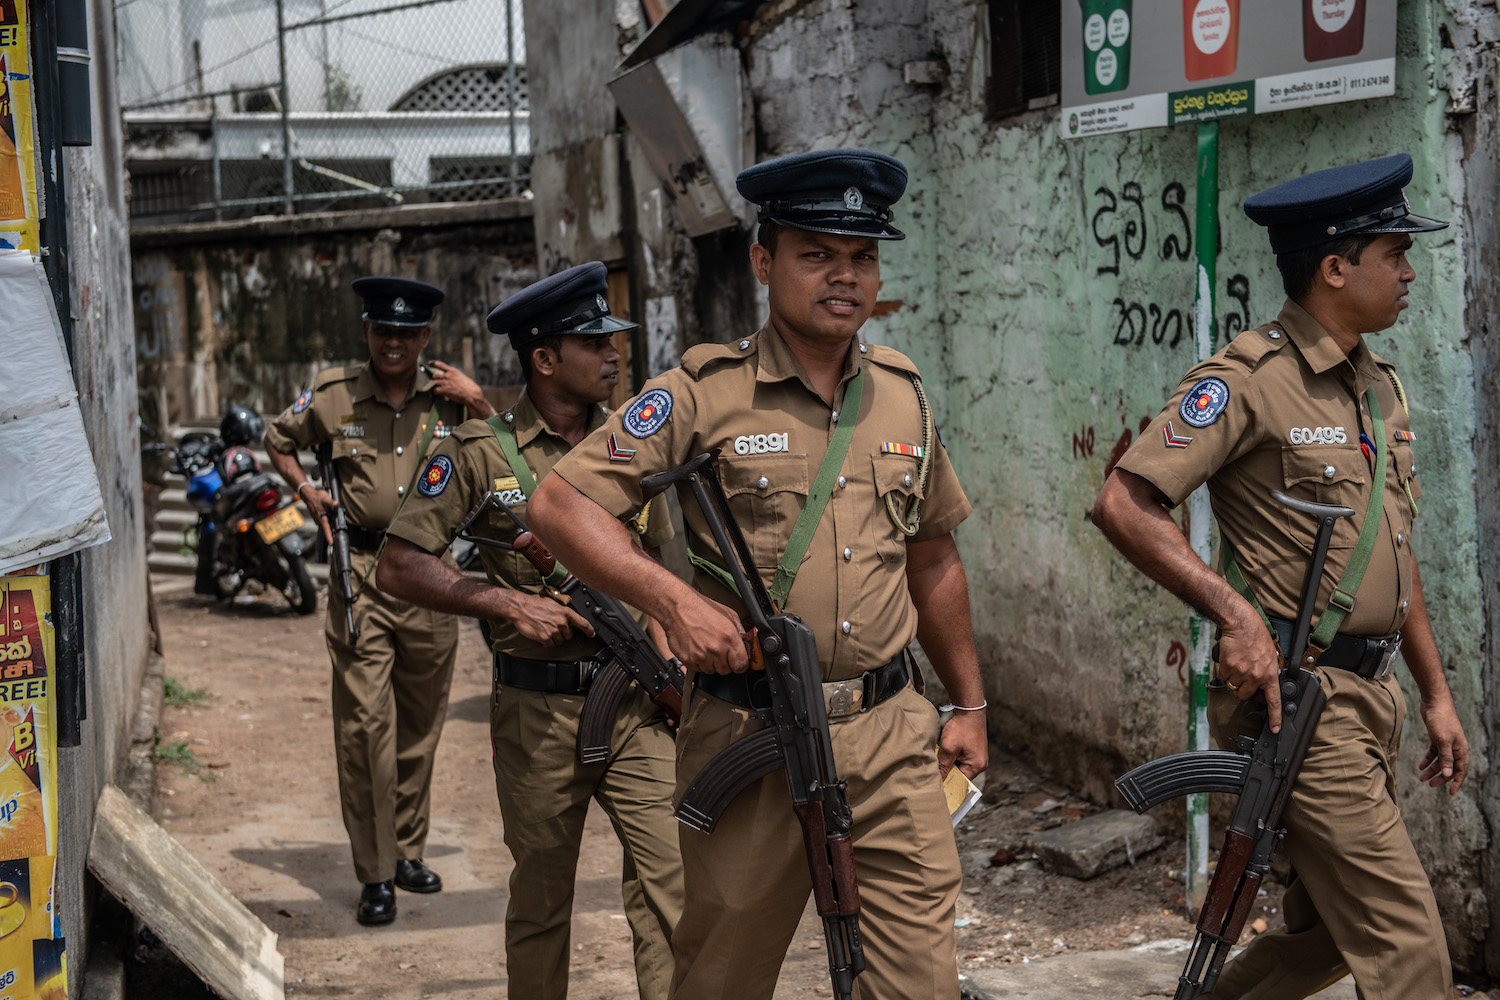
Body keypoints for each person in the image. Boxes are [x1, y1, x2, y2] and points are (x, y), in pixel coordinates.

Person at [526, 149, 989, 999]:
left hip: (890, 732)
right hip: (752, 734)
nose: (845, 277)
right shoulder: (704, 393)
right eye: (817, 255)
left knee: (922, 982)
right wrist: (670, 602)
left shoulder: (903, 394)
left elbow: (932, 553)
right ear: (765, 262)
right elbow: (559, 505)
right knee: (723, 974)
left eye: (862, 258)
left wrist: (968, 703)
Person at [1092, 153, 1469, 999]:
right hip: (1300, 704)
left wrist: (1436, 693)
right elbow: (1124, 502)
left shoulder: (1378, 390)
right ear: (1335, 268)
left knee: (1328, 937)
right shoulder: (1248, 382)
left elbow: (1393, 551)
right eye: (1393, 254)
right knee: (1409, 949)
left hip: (1373, 701)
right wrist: (1235, 615)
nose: (1409, 272)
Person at [375, 262, 684, 1000]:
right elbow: (399, 566)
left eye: (615, 342)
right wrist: (506, 603)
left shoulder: (631, 446)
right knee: (543, 899)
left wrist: (677, 685)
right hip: (537, 714)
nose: (614, 355)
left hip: (637, 702)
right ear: (545, 359)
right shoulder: (479, 451)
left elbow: (663, 577)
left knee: (672, 887)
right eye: (595, 343)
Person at [264, 275, 494, 926]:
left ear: (426, 337)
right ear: (368, 332)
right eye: (383, 330)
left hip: (431, 575)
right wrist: (307, 493)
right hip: (360, 573)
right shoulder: (335, 396)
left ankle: (407, 852)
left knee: (421, 726)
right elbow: (279, 440)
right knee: (366, 728)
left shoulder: (450, 399)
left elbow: (506, 454)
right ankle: (374, 872)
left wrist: (478, 402)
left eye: (408, 332)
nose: (395, 342)